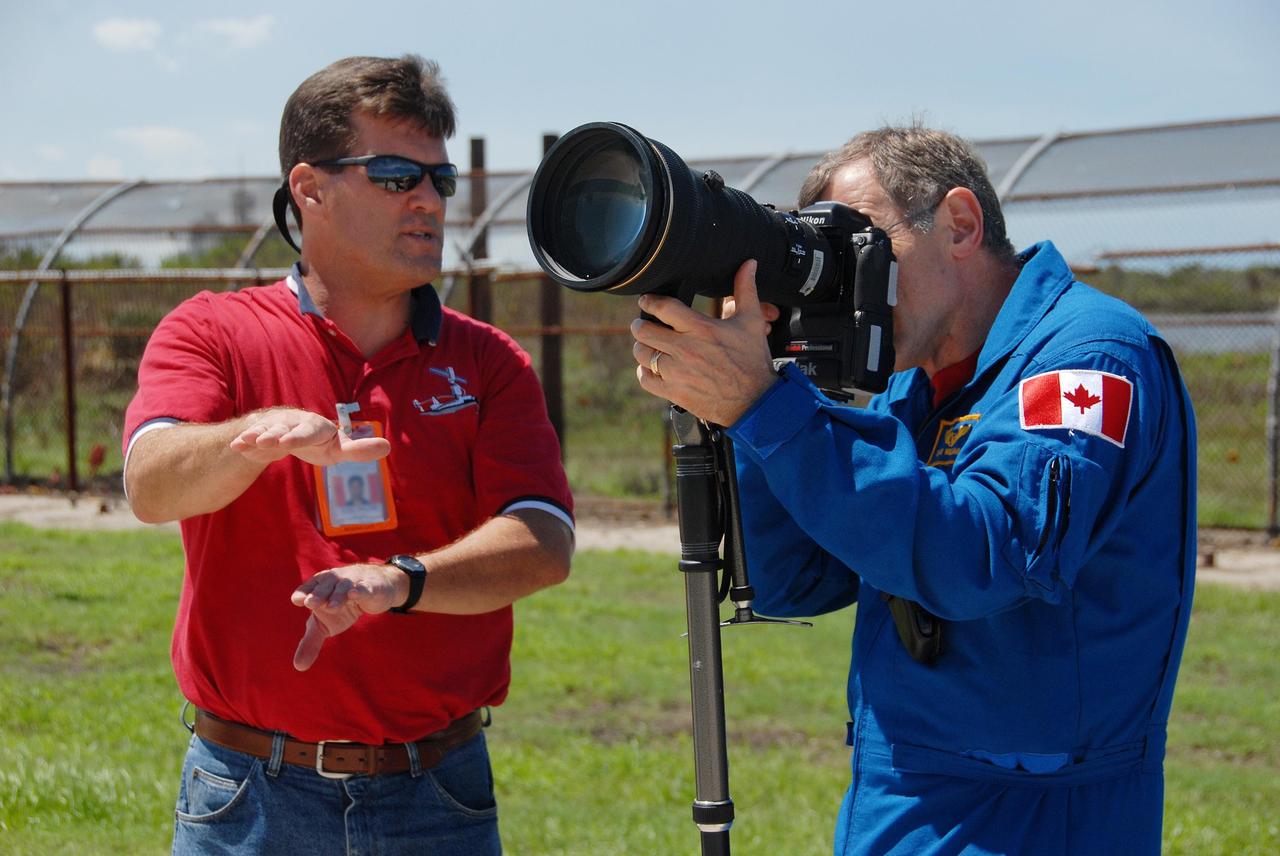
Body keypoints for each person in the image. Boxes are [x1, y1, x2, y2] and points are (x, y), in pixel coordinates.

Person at [629, 124, 1195, 855]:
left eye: (866, 247)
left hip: (1037, 817)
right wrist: (754, 407)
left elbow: (984, 555)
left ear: (960, 223)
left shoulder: (1087, 357)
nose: (854, 284)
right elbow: (795, 581)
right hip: (900, 798)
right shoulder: (915, 382)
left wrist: (770, 413)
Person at [123, 55, 574, 856]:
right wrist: (253, 437)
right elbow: (151, 484)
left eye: (440, 179)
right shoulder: (211, 332)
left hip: (438, 793)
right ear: (311, 189)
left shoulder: (489, 361)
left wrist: (401, 583)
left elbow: (543, 540)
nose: (430, 201)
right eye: (398, 174)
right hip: (248, 795)